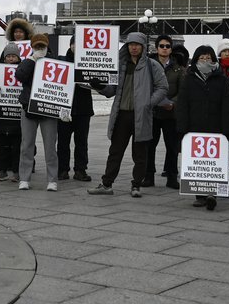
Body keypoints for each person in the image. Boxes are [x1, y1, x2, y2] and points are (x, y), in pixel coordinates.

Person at [89, 32, 168, 197]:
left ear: (143, 47)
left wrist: (148, 102)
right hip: (122, 115)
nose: (134, 47)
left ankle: (136, 185)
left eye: (137, 44)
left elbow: (163, 87)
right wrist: (99, 86)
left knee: (140, 154)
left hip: (141, 115)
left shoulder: (152, 65)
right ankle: (106, 184)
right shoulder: (120, 65)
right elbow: (111, 91)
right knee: (115, 152)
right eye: (131, 44)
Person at [174, 44, 229, 210]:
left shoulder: (221, 79)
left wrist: (226, 128)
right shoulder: (189, 78)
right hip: (194, 127)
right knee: (198, 162)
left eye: (208, 58)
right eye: (202, 58)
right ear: (196, 60)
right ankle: (200, 195)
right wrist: (182, 127)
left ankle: (212, 194)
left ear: (214, 60)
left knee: (214, 162)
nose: (205, 61)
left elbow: (227, 105)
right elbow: (182, 104)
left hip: (216, 127)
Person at [15, 32, 61, 190]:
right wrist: (32, 59)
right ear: (32, 47)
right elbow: (19, 75)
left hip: (48, 109)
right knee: (26, 145)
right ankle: (24, 178)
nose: (40, 48)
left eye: (42, 45)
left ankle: (52, 180)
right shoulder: (28, 61)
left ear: (47, 46)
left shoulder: (55, 61)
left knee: (50, 147)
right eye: (37, 46)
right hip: (29, 108)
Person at [0, 18, 32, 180]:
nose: (11, 59)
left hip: (17, 113)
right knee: (1, 145)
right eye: (8, 56)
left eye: (14, 56)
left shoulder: (24, 71)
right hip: (1, 113)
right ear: (4, 57)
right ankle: (1, 170)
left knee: (17, 144)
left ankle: (16, 171)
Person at [142, 34, 185, 188]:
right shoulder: (148, 66)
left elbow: (183, 91)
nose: (164, 49)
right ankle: (148, 176)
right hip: (152, 113)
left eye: (167, 46)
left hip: (170, 114)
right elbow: (144, 86)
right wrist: (153, 100)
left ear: (171, 49)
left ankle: (172, 177)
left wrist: (173, 103)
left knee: (172, 147)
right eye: (162, 46)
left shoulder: (178, 69)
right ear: (157, 48)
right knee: (150, 146)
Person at [56, 44, 103, 183]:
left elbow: (100, 83)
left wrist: (97, 82)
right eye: (74, 44)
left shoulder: (90, 62)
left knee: (81, 142)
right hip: (65, 107)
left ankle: (80, 170)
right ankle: (62, 169)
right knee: (63, 142)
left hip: (83, 108)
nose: (76, 47)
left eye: (79, 44)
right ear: (70, 45)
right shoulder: (61, 61)